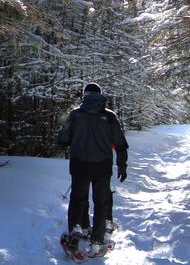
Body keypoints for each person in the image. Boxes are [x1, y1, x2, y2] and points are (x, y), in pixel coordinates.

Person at [57, 83, 128, 257]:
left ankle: (75, 231)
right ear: (100, 95)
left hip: (79, 164)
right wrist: (122, 165)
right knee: (101, 203)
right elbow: (120, 144)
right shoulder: (109, 116)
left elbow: (62, 140)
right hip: (102, 166)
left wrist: (74, 139)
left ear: (84, 95)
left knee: (78, 199)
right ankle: (97, 241)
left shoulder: (74, 114)